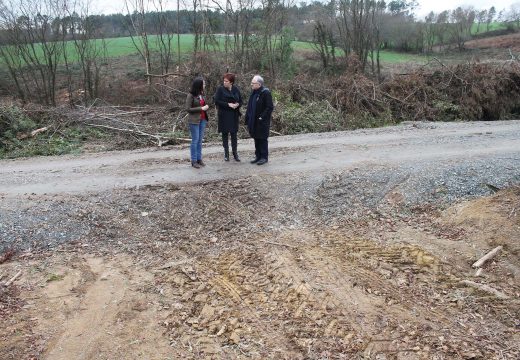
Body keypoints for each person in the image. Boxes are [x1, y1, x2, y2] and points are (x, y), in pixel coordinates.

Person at [244, 75, 274, 165]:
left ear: (259, 84)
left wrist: (262, 117)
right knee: (256, 138)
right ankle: (258, 156)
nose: (251, 85)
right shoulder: (253, 92)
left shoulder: (266, 93)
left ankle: (264, 157)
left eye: (253, 83)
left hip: (262, 121)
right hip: (253, 120)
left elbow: (269, 107)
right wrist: (247, 117)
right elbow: (250, 106)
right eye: (251, 83)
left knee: (262, 139)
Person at [213, 73, 243, 161]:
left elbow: (241, 101)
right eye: (224, 81)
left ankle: (235, 153)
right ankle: (226, 154)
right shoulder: (220, 89)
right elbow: (216, 101)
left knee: (234, 134)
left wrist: (237, 104)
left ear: (231, 82)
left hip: (234, 115)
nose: (224, 82)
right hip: (224, 115)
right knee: (225, 134)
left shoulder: (236, 89)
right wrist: (228, 104)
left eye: (226, 81)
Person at [185, 77, 209, 168]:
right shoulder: (190, 95)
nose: (205, 85)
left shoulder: (201, 94)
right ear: (199, 85)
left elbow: (202, 104)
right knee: (195, 140)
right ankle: (194, 160)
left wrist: (205, 106)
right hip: (194, 121)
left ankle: (199, 159)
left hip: (202, 119)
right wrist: (201, 108)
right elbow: (188, 109)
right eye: (203, 84)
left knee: (199, 141)